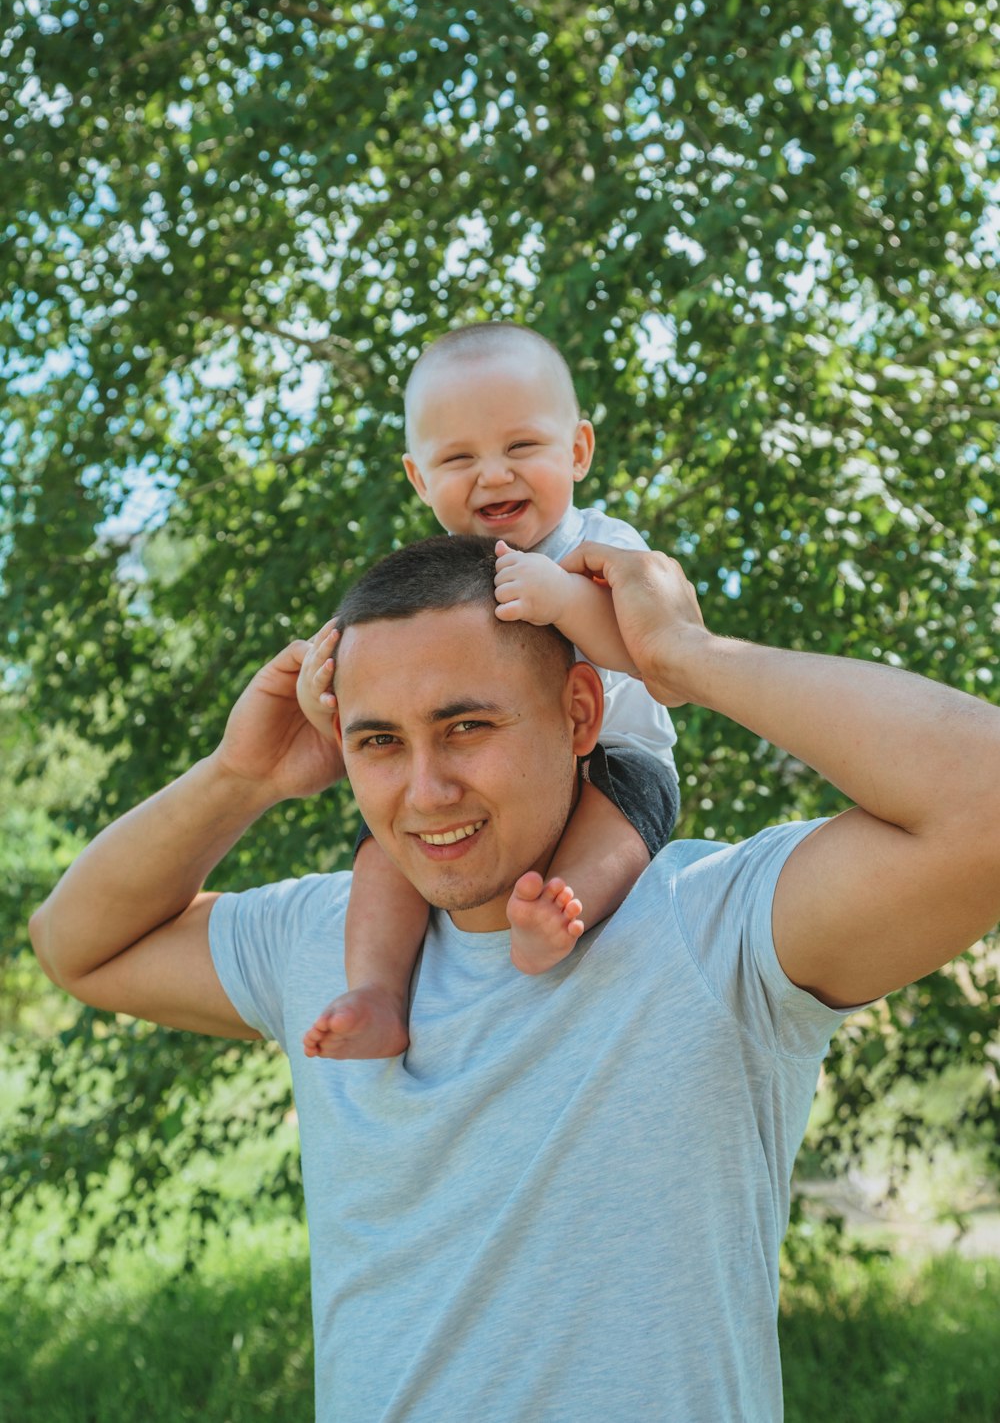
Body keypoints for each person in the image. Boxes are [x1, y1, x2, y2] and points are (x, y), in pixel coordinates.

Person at [29, 533, 1000, 1423]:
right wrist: (239, 776)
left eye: (465, 727)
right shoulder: (324, 940)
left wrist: (684, 661)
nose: (424, 791)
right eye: (378, 742)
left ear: (582, 713)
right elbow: (76, 944)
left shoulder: (715, 924)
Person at [296, 321, 681, 1060]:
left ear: (578, 450)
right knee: (380, 850)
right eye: (459, 458)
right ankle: (376, 991)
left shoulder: (607, 546)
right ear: (418, 479)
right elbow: (386, 697)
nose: (494, 475)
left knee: (622, 814)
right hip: (494, 778)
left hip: (616, 757)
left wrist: (566, 602)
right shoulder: (435, 576)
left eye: (522, 448)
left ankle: (562, 913)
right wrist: (326, 701)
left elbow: (657, 660)